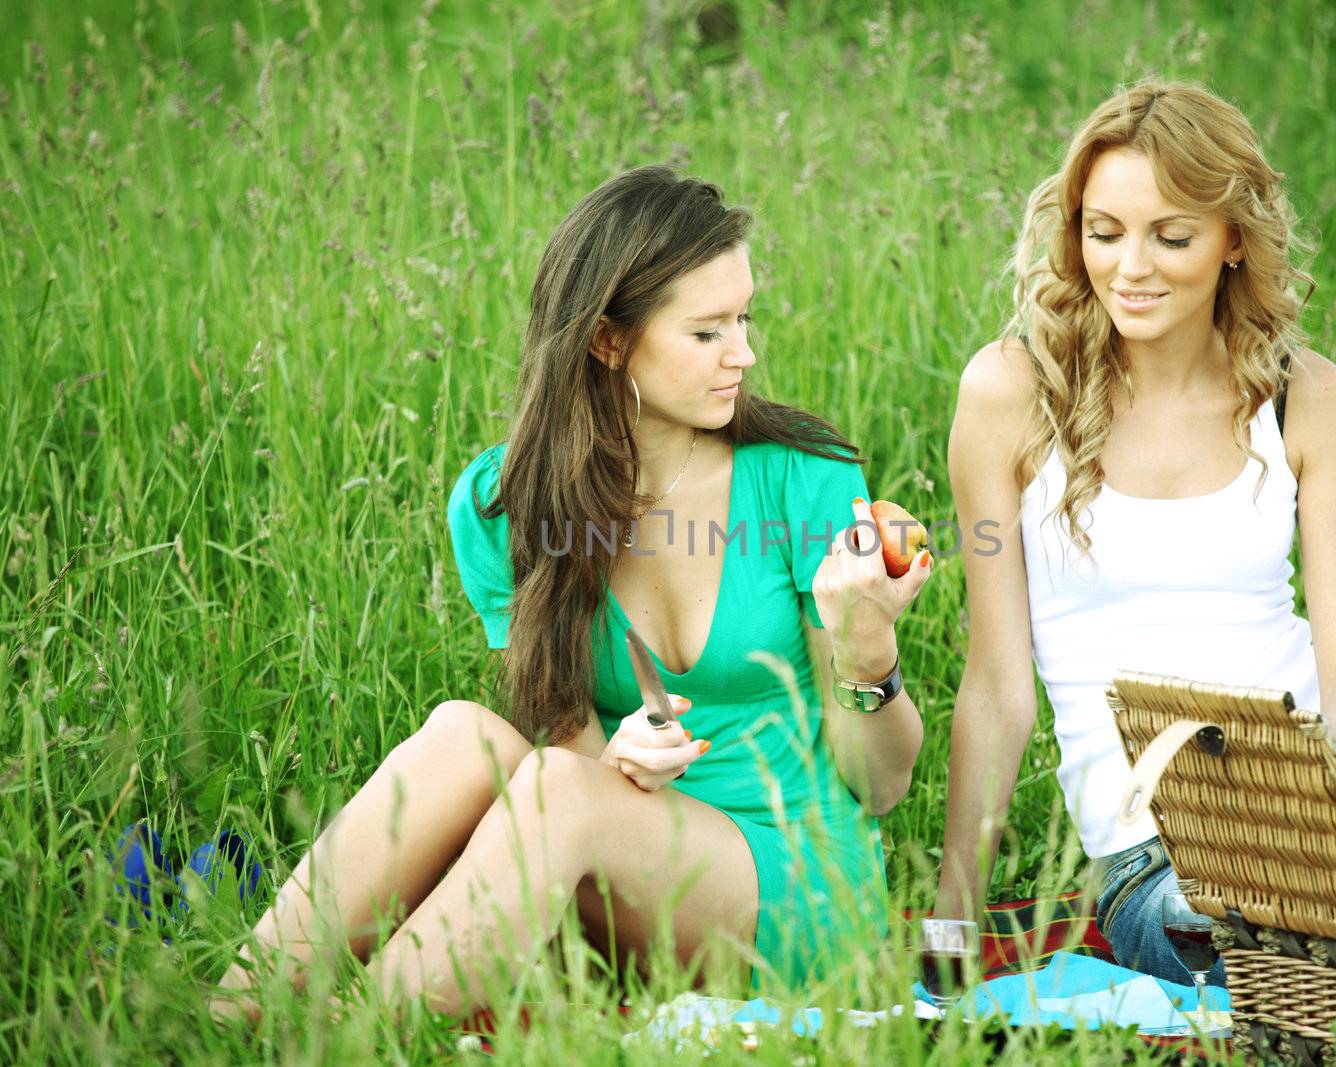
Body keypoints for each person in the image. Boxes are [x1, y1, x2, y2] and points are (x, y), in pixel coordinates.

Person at [215, 166, 931, 1020]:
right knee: (461, 737)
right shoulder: (506, 503)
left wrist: (866, 646)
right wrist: (618, 767)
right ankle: (227, 1016)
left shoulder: (802, 475)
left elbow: (881, 785)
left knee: (560, 787)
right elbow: (574, 757)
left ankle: (351, 1037)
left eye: (744, 318)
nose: (743, 351)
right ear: (606, 340)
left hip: (793, 890)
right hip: (616, 868)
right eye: (707, 331)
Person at [932, 82, 1336, 986]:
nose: (1130, 267)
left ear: (1234, 241)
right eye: (1104, 230)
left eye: (1172, 236)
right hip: (1160, 853)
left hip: (1318, 788)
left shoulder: (1305, 396)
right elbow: (997, 686)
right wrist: (952, 926)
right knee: (1253, 944)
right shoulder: (1008, 395)